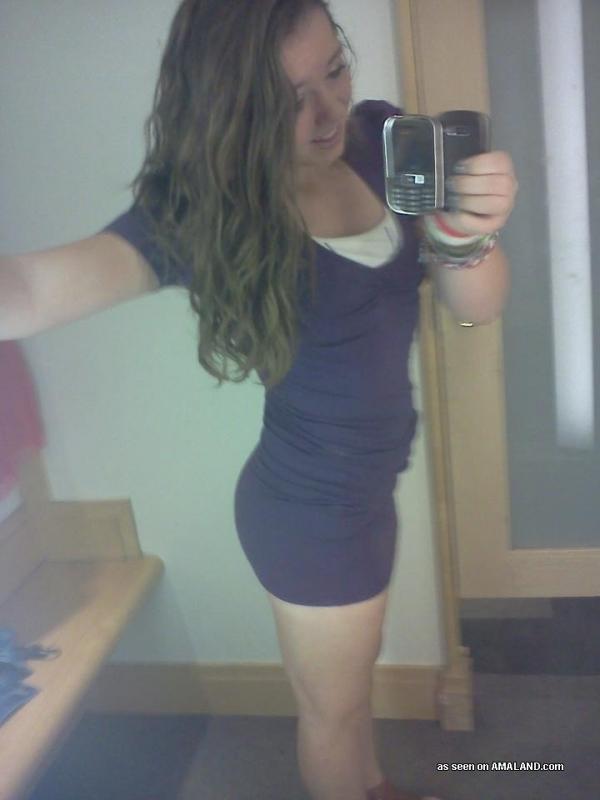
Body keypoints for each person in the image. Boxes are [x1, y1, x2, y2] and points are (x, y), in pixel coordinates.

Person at [0, 1, 517, 798]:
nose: (327, 114)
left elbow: (476, 307)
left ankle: (372, 786)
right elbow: (28, 292)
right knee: (333, 715)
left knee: (349, 698)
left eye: (334, 72)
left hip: (361, 490)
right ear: (230, 104)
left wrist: (468, 230)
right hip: (309, 513)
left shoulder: (380, 140)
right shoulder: (206, 212)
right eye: (286, 101)